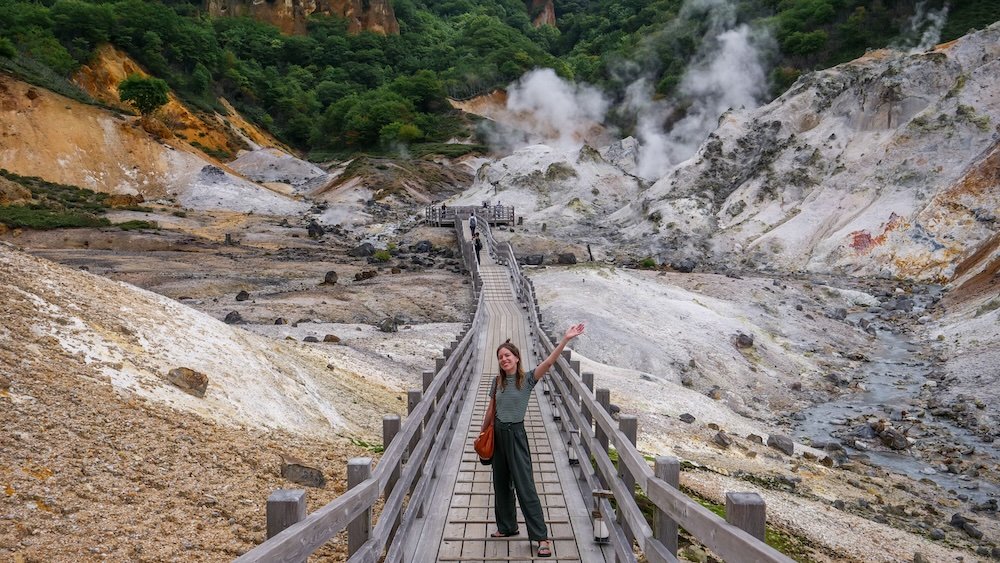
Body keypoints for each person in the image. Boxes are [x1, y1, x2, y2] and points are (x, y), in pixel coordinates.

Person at [481, 323, 586, 558]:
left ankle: (541, 537)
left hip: (516, 436)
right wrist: (482, 433)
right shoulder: (496, 382)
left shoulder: (527, 379)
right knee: (501, 484)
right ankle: (507, 527)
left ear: (517, 358)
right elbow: (490, 410)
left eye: (507, 355)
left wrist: (566, 339)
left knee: (525, 486)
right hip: (497, 435)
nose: (504, 360)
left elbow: (548, 363)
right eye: (500, 357)